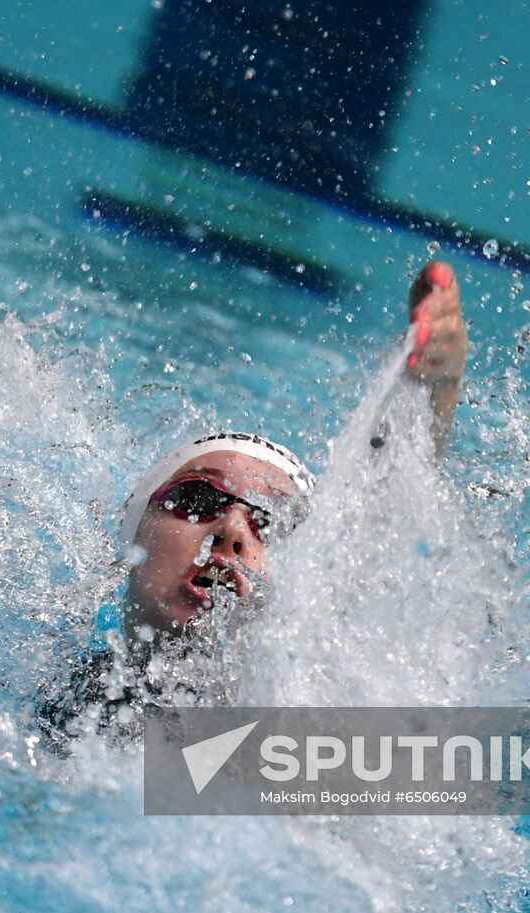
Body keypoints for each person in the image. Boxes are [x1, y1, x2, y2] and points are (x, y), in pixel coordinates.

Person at [37, 260, 469, 747]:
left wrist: (431, 392)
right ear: (132, 530)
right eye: (199, 497)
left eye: (272, 522)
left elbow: (381, 520)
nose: (233, 532)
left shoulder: (316, 733)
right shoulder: (49, 700)